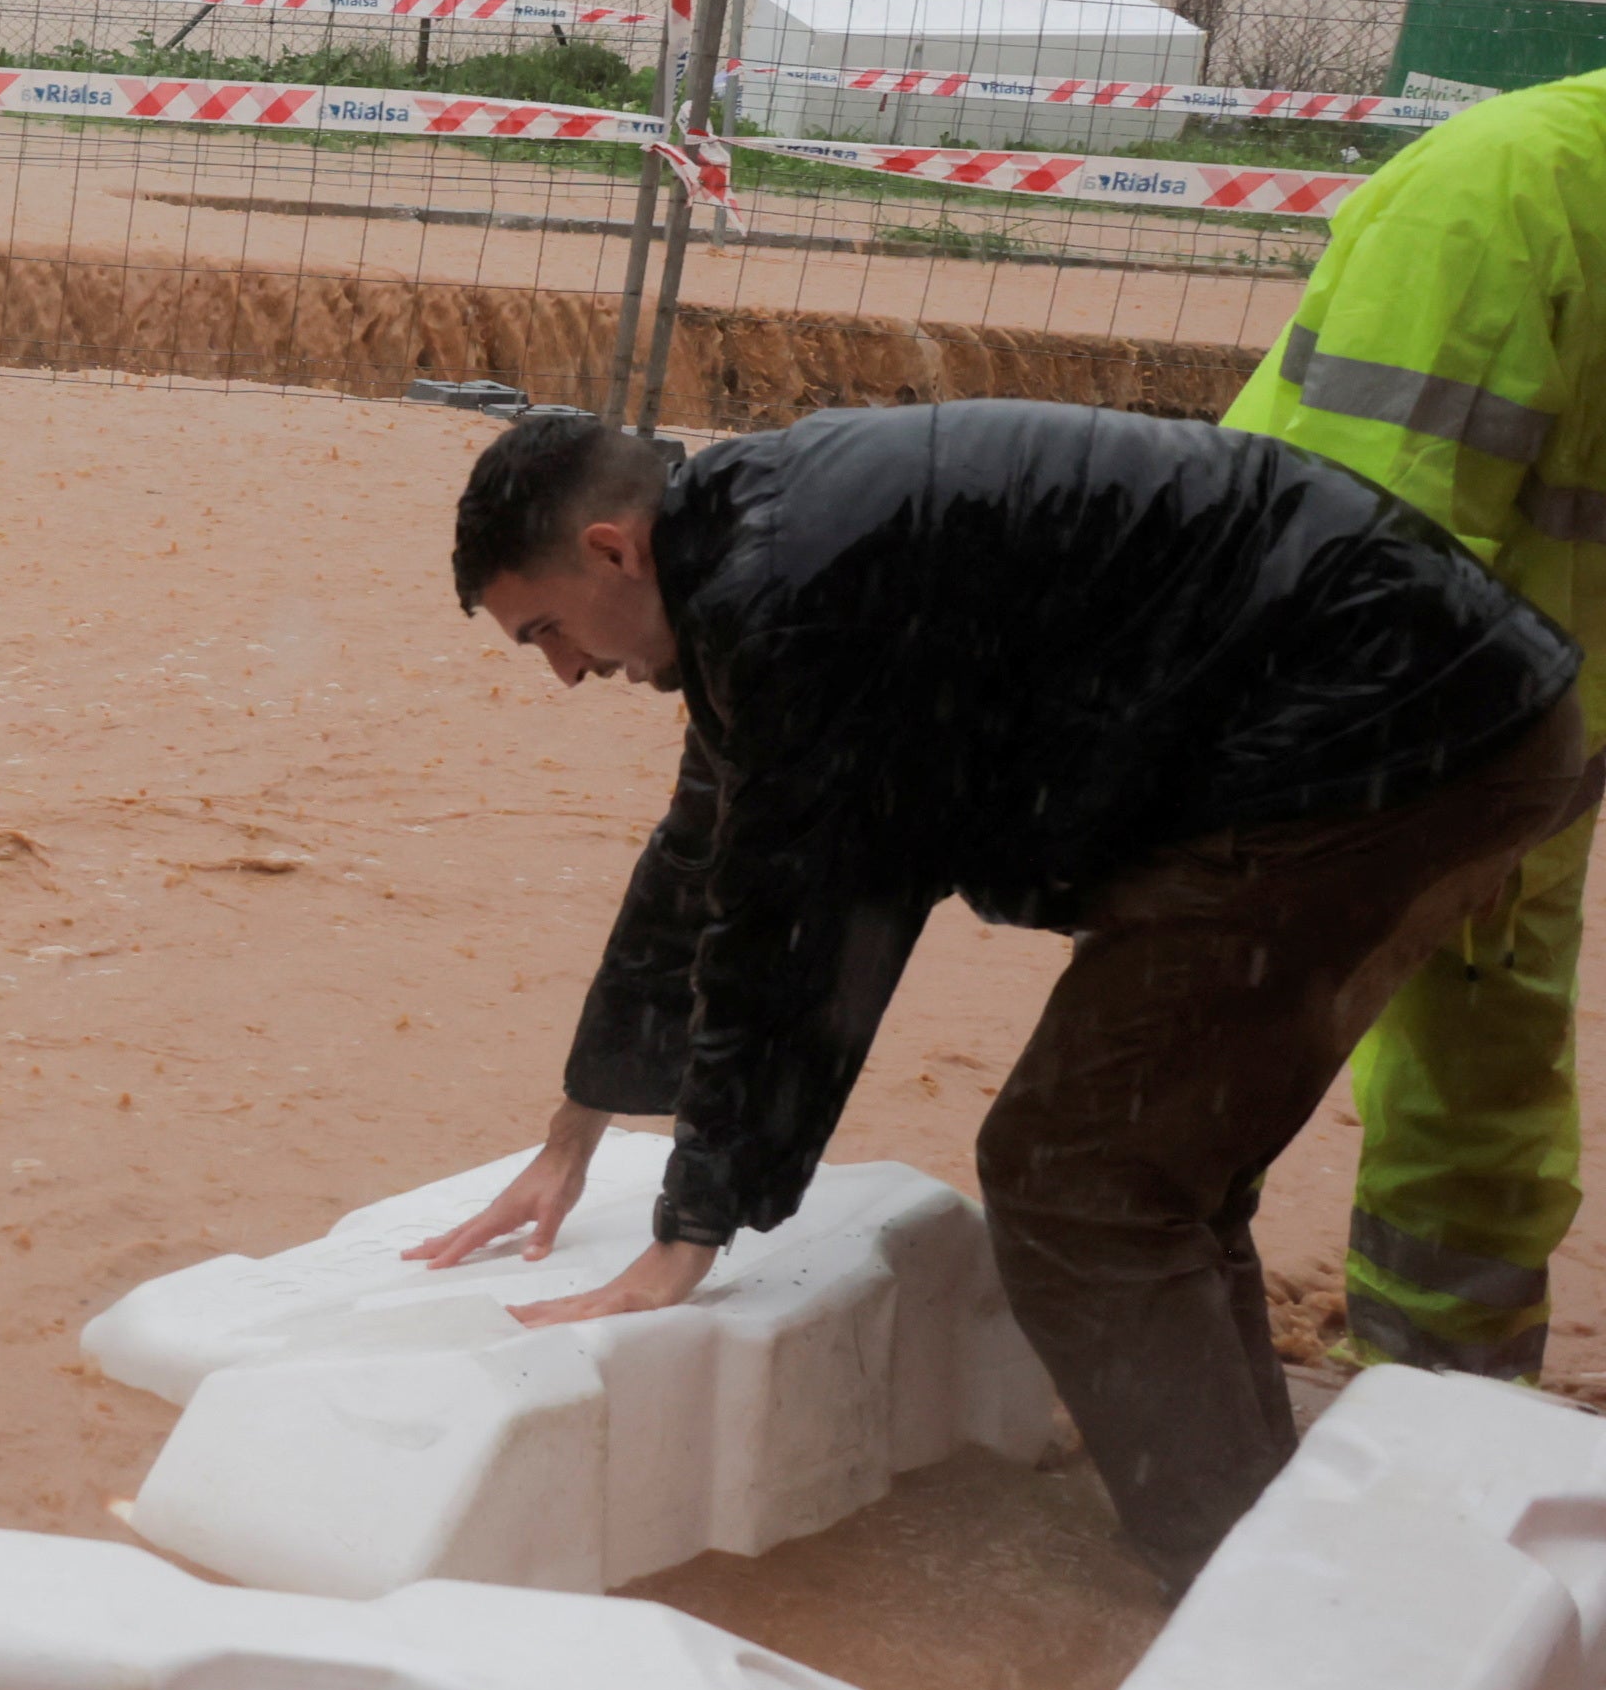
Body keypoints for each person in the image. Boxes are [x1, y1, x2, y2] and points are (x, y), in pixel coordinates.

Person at [420, 399, 1588, 1583]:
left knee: (1078, 1174)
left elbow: (795, 935)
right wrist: (577, 1131)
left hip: (1389, 738)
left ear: (613, 549)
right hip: (1442, 714)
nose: (567, 673)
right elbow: (703, 863)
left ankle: (1233, 1592)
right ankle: (1251, 1527)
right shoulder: (756, 557)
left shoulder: (789, 594)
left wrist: (689, 1234)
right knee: (1152, 1167)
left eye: (546, 632)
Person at [1226, 70, 1606, 1384]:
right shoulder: (1505, 198)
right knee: (1204, 1048)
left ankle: (1445, 1417)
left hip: (1537, 741)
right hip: (1331, 726)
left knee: (1483, 1087)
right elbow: (1361, 557)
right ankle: (1180, 1422)